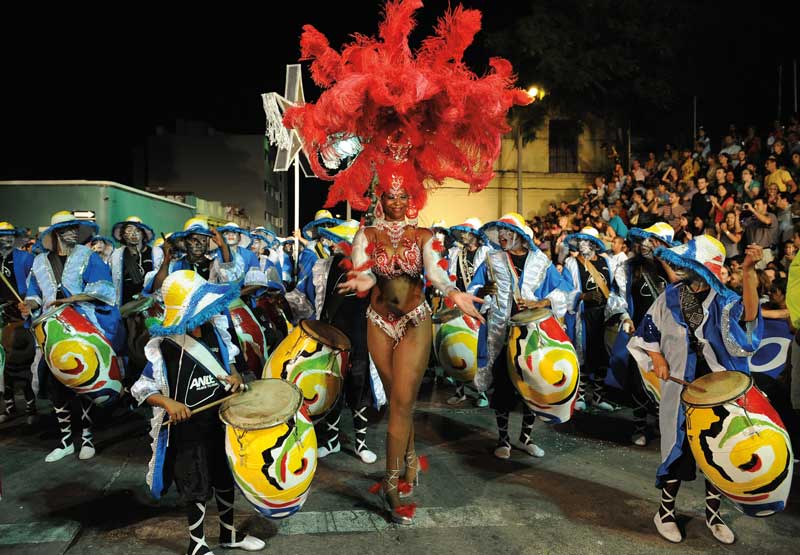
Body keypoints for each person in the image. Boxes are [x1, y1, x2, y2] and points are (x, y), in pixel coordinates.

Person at [280, 0, 529, 525]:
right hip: (377, 322)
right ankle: (410, 458)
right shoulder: (366, 232)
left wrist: (456, 294)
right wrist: (361, 277)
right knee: (396, 397)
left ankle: (393, 485)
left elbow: (436, 273)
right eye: (387, 193)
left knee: (401, 405)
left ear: (411, 193)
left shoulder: (425, 234)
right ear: (378, 192)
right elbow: (365, 268)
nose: (394, 198)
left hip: (415, 322)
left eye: (401, 193)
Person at [628, 236, 763, 545]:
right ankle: (664, 512)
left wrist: (749, 271)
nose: (685, 271)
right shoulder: (670, 296)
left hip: (717, 393)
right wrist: (657, 357)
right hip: (680, 392)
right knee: (678, 450)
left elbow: (751, 317)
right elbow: (648, 331)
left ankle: (713, 514)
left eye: (692, 266)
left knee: (716, 452)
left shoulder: (725, 300)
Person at [131, 270, 265, 555]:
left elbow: (229, 366)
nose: (207, 312)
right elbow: (142, 388)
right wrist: (169, 404)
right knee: (196, 485)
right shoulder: (164, 347)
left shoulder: (217, 331)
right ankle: (197, 545)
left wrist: (236, 379)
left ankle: (229, 535)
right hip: (188, 430)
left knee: (225, 479)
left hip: (221, 422)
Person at [20, 212, 125, 462]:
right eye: (68, 229)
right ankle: (66, 441)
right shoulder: (39, 262)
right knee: (57, 387)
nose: (74, 233)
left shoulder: (87, 257)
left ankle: (87, 437)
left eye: (76, 228)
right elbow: (35, 293)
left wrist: (69, 299)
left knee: (84, 383)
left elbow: (103, 288)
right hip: (52, 331)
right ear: (56, 234)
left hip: (82, 326)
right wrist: (29, 305)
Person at [467, 213, 569, 459]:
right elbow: (473, 290)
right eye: (499, 233)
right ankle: (503, 439)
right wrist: (484, 292)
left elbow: (563, 290)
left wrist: (540, 302)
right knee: (503, 384)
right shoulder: (492, 259)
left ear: (520, 237)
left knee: (530, 383)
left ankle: (525, 438)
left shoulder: (540, 261)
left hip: (531, 332)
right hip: (501, 332)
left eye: (506, 233)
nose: (501, 237)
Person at [286, 220, 382, 464]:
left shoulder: (373, 270)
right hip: (332, 337)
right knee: (333, 388)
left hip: (362, 337)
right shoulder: (322, 267)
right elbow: (304, 297)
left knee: (359, 389)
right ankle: (331, 440)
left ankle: (361, 444)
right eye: (341, 242)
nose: (344, 246)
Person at [559, 227, 619, 410]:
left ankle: (599, 396)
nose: (583, 245)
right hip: (583, 315)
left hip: (604, 314)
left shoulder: (606, 261)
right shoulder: (571, 263)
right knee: (582, 354)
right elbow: (565, 289)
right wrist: (583, 296)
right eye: (580, 242)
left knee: (602, 355)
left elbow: (614, 287)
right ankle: (581, 396)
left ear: (594, 244)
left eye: (587, 241)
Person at [443, 218, 493, 408]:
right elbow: (450, 277)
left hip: (481, 305)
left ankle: (482, 392)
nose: (464, 236)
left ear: (476, 235)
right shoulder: (457, 253)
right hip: (460, 305)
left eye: (468, 232)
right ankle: (460, 390)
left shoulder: (487, 253)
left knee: (479, 349)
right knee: (457, 347)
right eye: (462, 232)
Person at [0, 222, 36, 424]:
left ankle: (31, 406)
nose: (5, 239)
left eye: (9, 235)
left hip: (20, 310)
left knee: (22, 359)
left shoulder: (25, 257)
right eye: (1, 236)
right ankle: (8, 405)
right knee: (1, 364)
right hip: (1, 312)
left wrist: (28, 303)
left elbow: (35, 284)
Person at [110, 216, 163, 306]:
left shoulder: (156, 253)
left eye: (138, 230)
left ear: (143, 234)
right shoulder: (116, 255)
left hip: (150, 304)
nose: (134, 234)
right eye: (129, 230)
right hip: (125, 305)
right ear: (123, 235)